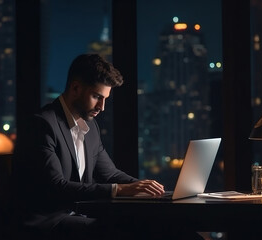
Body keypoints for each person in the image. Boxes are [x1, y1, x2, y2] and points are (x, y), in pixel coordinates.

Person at [11, 54, 203, 240]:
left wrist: (148, 189)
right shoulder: (42, 124)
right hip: (46, 225)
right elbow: (57, 188)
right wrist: (120, 190)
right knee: (136, 231)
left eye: (105, 99)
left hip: (78, 217)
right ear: (75, 88)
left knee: (178, 231)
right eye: (97, 97)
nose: (102, 107)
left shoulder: (90, 127)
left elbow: (110, 174)